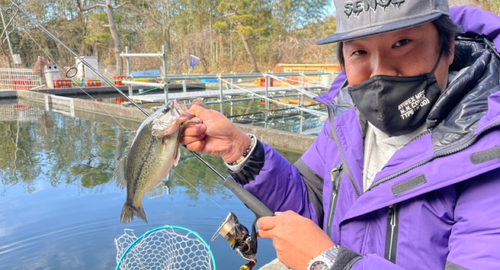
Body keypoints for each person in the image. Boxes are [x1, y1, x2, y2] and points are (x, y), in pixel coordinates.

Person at [181, 2, 500, 269]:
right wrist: (241, 150)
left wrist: (329, 262)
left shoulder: (488, 151)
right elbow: (309, 204)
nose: (380, 73)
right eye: (360, 52)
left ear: (448, 47)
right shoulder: (345, 120)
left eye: (402, 44)